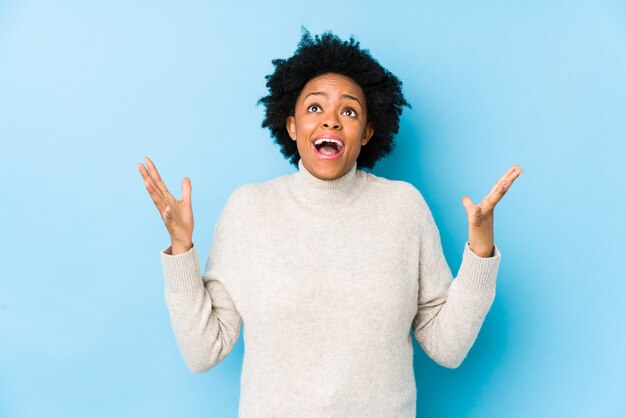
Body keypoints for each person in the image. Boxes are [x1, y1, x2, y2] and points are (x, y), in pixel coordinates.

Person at [137, 29, 523, 418]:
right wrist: (182, 248)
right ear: (291, 126)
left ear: (367, 132)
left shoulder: (403, 208)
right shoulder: (248, 210)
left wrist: (480, 251)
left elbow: (447, 347)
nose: (332, 121)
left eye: (349, 111)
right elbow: (203, 351)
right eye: (315, 108)